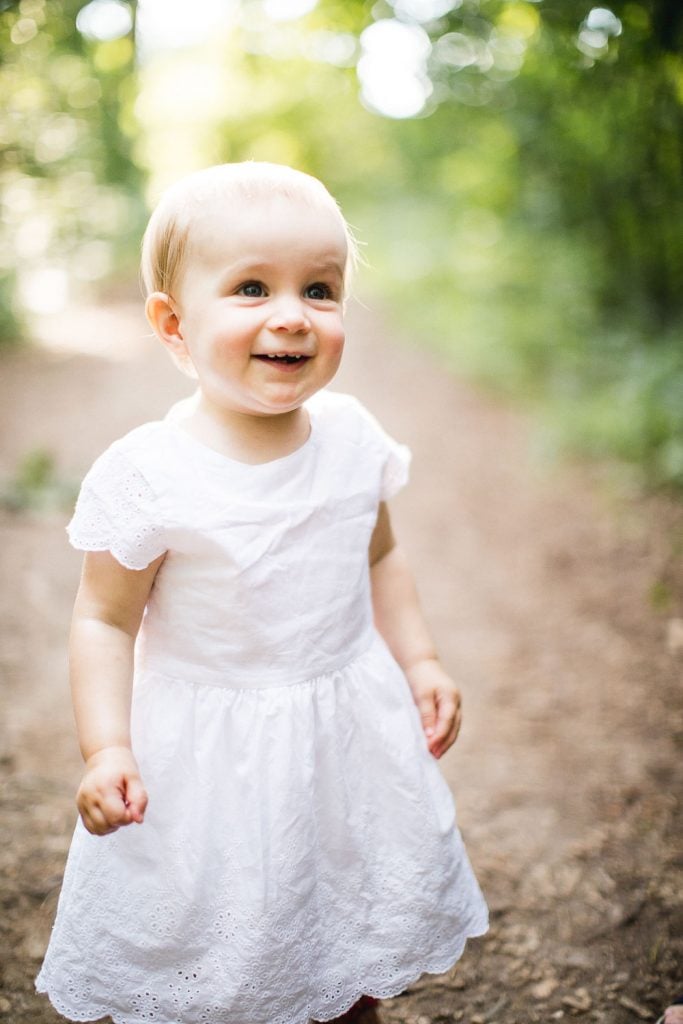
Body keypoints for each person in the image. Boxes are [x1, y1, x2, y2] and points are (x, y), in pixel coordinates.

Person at [36, 161, 488, 1024]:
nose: (291, 315)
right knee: (214, 951)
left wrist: (419, 658)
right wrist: (105, 748)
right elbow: (102, 618)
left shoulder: (352, 439)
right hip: (209, 760)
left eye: (319, 290)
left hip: (343, 738)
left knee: (346, 932)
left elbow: (380, 557)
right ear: (173, 325)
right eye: (251, 287)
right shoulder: (151, 476)